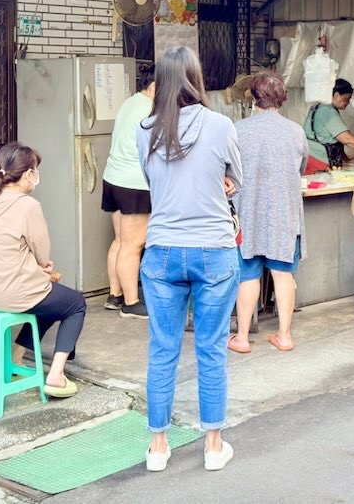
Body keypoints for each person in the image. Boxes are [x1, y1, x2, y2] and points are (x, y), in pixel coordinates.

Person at [136, 46, 242, 473]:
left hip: (161, 250)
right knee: (211, 348)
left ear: (161, 81)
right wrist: (225, 184)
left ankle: (158, 448)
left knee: (162, 349)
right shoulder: (220, 125)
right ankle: (213, 446)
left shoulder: (145, 128)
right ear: (196, 78)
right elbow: (238, 177)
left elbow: (152, 182)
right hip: (214, 250)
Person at [0, 142, 86, 398]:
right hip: (9, 292)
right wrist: (44, 266)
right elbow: (42, 253)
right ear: (29, 173)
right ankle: (56, 375)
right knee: (74, 303)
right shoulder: (27, 206)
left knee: (49, 299)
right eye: (36, 171)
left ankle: (16, 358)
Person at [230, 71, 308, 353]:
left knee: (247, 274)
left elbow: (228, 170)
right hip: (283, 214)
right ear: (282, 99)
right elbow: (301, 168)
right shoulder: (295, 131)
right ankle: (284, 335)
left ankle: (241, 338)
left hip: (248, 213)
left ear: (253, 98)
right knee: (283, 273)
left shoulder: (238, 130)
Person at [101, 64, 156, 319]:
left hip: (112, 178)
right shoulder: (150, 109)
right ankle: (132, 303)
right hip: (134, 182)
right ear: (154, 87)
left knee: (121, 240)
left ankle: (115, 295)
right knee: (133, 245)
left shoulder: (130, 102)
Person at [303, 78, 354, 173]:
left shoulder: (318, 106)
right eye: (346, 99)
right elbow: (347, 139)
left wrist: (345, 159)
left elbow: (325, 137)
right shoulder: (328, 111)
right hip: (318, 159)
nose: (347, 103)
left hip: (310, 156)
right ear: (336, 95)